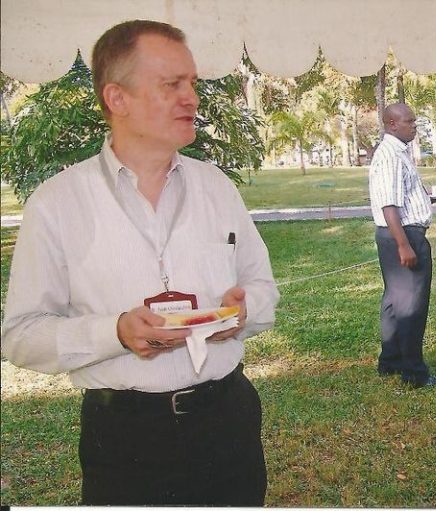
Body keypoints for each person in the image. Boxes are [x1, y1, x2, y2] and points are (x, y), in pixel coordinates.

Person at [1, 20, 279, 506]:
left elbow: (262, 287)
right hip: (125, 437)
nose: (191, 98)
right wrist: (115, 333)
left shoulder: (217, 187)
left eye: (192, 83)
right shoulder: (57, 203)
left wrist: (242, 311)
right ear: (117, 98)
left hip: (228, 421)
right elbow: (21, 335)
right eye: (171, 84)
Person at [368, 103, 436, 388]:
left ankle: (391, 361)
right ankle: (414, 373)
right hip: (403, 236)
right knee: (411, 306)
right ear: (392, 124)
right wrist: (404, 245)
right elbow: (389, 205)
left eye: (415, 121)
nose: (414, 126)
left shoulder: (399, 152)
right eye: (409, 121)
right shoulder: (391, 155)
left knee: (394, 302)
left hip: (399, 234)